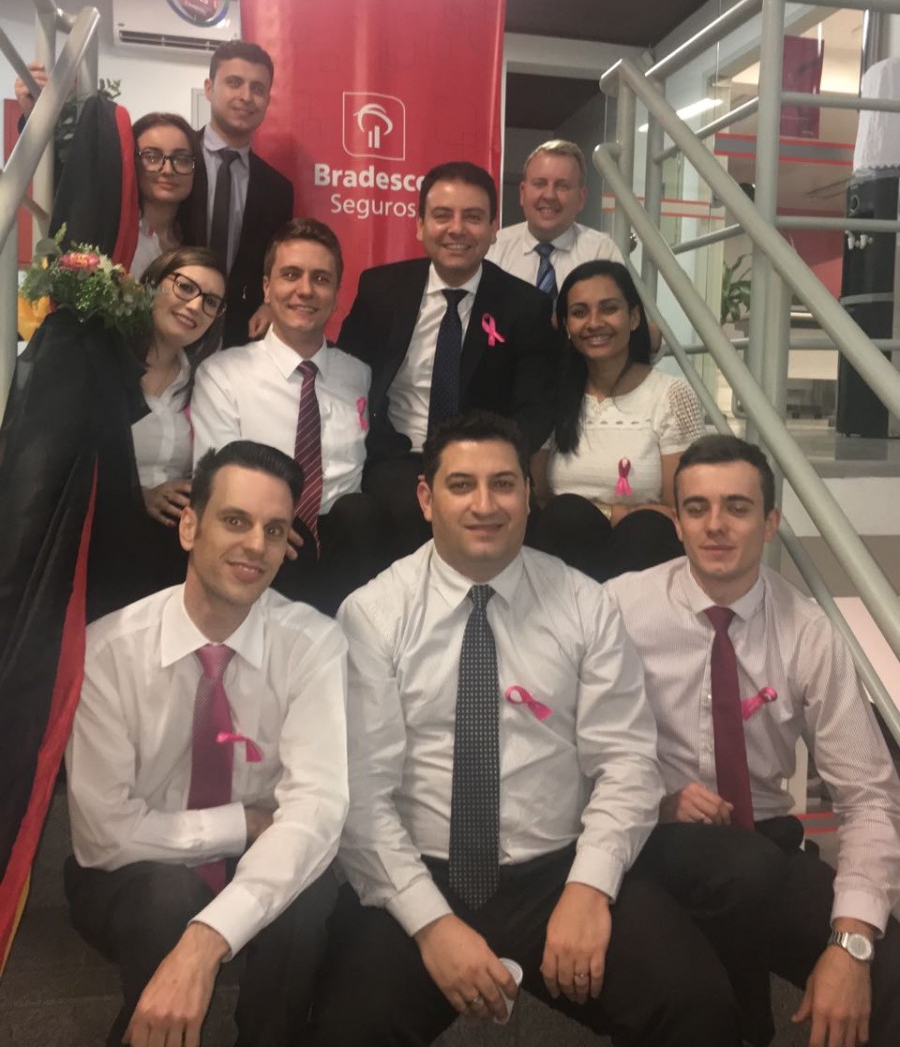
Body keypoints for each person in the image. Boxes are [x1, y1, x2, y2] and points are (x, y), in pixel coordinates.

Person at [308, 410, 744, 1047]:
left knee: (696, 1004)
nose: (485, 505)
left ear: (529, 494)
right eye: (461, 485)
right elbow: (363, 797)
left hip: (558, 871)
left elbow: (626, 764)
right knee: (345, 1029)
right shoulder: (372, 615)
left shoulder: (585, 605)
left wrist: (589, 887)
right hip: (419, 873)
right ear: (426, 498)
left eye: (504, 484)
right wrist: (432, 924)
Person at [606, 434, 900, 1047]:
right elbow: (565, 757)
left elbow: (870, 797)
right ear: (677, 523)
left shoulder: (808, 632)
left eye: (737, 508)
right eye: (697, 508)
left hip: (763, 845)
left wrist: (851, 943)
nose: (715, 525)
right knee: (695, 1000)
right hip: (649, 842)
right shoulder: (617, 610)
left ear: (770, 524)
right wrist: (658, 799)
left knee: (889, 974)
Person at [65, 440, 349, 1047]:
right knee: (167, 895)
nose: (256, 545)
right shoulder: (108, 652)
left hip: (253, 859)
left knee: (309, 891)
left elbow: (316, 811)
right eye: (235, 521)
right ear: (189, 526)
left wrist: (204, 941)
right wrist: (243, 823)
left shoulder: (315, 646)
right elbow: (103, 835)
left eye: (274, 530)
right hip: (131, 876)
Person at [338, 160, 556, 555]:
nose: (457, 229)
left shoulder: (525, 306)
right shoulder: (380, 290)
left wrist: (491, 462)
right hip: (400, 455)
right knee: (403, 511)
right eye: (442, 216)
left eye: (473, 217)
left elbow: (536, 409)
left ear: (493, 228)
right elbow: (345, 377)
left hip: (485, 460)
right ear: (420, 225)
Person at [191, 219, 385, 613]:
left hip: (346, 549)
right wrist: (274, 522)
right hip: (261, 543)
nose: (305, 290)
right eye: (291, 275)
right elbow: (215, 477)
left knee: (362, 514)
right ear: (267, 287)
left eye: (321, 279)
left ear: (336, 294)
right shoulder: (223, 374)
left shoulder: (359, 375)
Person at [530, 260, 704, 582]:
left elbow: (679, 508)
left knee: (646, 529)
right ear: (566, 325)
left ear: (634, 317)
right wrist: (613, 513)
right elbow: (539, 497)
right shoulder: (551, 397)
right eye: (580, 312)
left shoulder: (671, 396)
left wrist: (618, 517)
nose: (594, 323)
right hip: (567, 550)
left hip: (645, 552)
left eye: (609, 309)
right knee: (565, 515)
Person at [193, 41, 294, 347]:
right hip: (166, 324)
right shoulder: (176, 160)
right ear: (209, 88)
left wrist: (269, 304)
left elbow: (274, 260)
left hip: (239, 335)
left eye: (257, 88)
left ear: (267, 100)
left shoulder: (277, 189)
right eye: (234, 83)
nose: (246, 97)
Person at [488, 140, 623, 295]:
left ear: (581, 198)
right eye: (540, 184)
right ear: (522, 193)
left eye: (562, 186)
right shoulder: (493, 249)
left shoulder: (601, 252)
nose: (549, 195)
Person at [129, 113, 207, 278]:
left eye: (182, 159)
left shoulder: (194, 237)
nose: (168, 170)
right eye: (152, 157)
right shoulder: (117, 235)